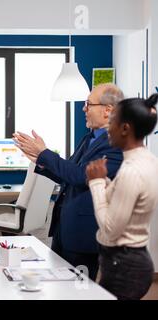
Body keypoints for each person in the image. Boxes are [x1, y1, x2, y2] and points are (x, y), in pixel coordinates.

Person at [13, 84, 124, 280]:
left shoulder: (116, 143)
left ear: (108, 110)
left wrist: (44, 153)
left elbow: (81, 177)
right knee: (59, 284)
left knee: (77, 288)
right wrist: (41, 162)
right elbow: (68, 175)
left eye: (88, 104)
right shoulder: (89, 138)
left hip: (85, 232)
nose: (84, 109)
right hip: (65, 226)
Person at [86, 94, 158, 300]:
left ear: (125, 128)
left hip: (124, 267)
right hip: (133, 261)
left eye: (112, 122)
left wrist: (96, 183)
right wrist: (107, 181)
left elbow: (110, 230)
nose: (108, 128)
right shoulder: (148, 160)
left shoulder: (131, 171)